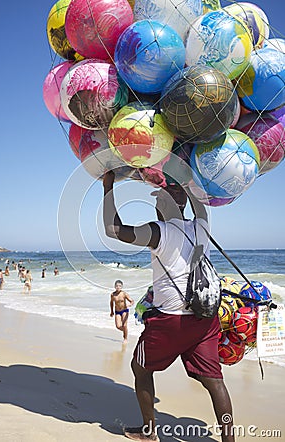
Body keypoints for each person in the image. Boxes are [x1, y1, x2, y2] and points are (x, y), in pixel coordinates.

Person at [103, 170, 234, 442]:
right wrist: (185, 176)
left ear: (162, 206)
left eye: (157, 200)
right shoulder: (202, 225)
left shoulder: (158, 232)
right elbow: (197, 196)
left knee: (140, 368)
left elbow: (113, 229)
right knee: (214, 382)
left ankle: (150, 432)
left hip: (171, 322)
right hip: (205, 318)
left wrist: (108, 186)